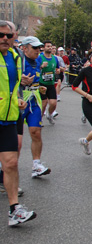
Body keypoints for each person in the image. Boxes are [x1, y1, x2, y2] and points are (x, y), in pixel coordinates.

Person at [0, 21, 36, 226]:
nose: (5, 39)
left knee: (11, 163)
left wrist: (18, 98)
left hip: (9, 117)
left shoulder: (15, 57)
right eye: (0, 35)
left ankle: (14, 209)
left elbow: (11, 86)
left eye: (8, 35)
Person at [20, 36, 52, 178]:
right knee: (16, 139)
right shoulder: (18, 60)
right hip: (19, 100)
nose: (38, 50)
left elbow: (36, 78)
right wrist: (20, 80)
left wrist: (40, 87)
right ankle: (6, 168)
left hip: (34, 100)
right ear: (24, 48)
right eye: (34, 48)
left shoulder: (38, 60)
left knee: (36, 132)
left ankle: (36, 165)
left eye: (39, 48)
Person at [37, 41, 60, 125]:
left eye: (51, 46)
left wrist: (58, 71)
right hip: (42, 83)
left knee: (53, 103)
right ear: (43, 48)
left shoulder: (55, 58)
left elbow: (57, 69)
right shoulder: (39, 57)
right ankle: (40, 119)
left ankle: (49, 114)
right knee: (44, 103)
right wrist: (41, 66)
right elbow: (35, 69)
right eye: (48, 46)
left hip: (50, 83)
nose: (50, 48)